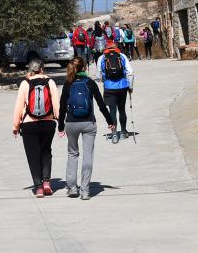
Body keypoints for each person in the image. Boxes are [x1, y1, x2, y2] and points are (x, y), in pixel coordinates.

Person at [57, 57, 114, 200]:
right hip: (89, 123)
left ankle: (71, 188)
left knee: (72, 154)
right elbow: (101, 104)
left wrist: (61, 126)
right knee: (87, 155)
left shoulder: (68, 83)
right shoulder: (90, 82)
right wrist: (110, 121)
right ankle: (85, 190)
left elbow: (62, 106)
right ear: (84, 68)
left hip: (71, 123)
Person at [12, 59, 59, 198]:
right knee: (46, 151)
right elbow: (56, 104)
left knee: (33, 155)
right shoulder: (50, 82)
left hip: (29, 124)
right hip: (48, 123)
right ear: (42, 69)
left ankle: (38, 187)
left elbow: (19, 106)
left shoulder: (25, 84)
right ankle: (46, 182)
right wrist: (58, 120)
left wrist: (15, 125)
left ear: (30, 69)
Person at [99, 43, 133, 143]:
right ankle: (123, 132)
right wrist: (130, 87)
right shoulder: (122, 56)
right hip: (122, 86)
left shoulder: (102, 58)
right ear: (116, 48)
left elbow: (98, 75)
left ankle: (114, 134)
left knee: (112, 111)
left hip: (109, 87)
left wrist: (104, 80)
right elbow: (130, 72)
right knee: (122, 109)